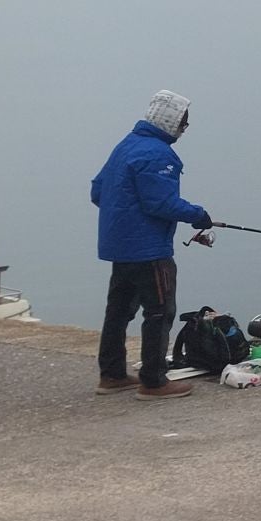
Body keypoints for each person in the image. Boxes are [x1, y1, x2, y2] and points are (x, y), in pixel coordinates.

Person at [91, 90, 213, 399]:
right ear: (172, 122)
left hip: (120, 247)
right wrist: (199, 215)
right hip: (149, 250)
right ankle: (154, 381)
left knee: (118, 312)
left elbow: (97, 191)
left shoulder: (126, 145)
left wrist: (124, 214)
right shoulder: (158, 154)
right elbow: (162, 204)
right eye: (183, 123)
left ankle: (112, 375)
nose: (184, 130)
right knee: (160, 311)